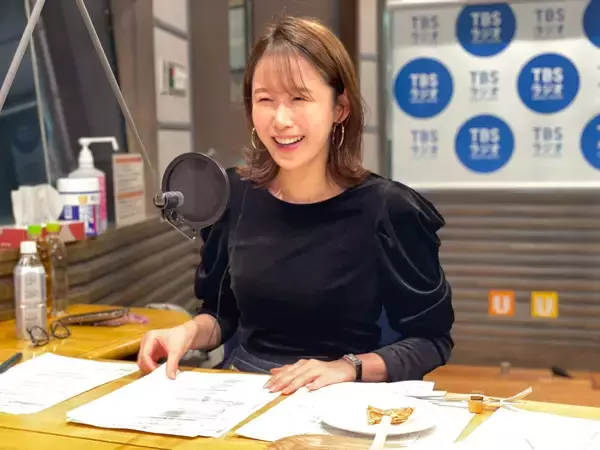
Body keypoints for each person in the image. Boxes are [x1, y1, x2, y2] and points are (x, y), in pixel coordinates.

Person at [137, 16, 454, 395]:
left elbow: (431, 340)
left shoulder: (390, 209)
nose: (281, 119)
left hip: (342, 400)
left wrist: (347, 367)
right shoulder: (233, 194)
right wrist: (186, 332)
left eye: (299, 98)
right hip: (246, 392)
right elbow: (222, 314)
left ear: (340, 108)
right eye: (265, 100)